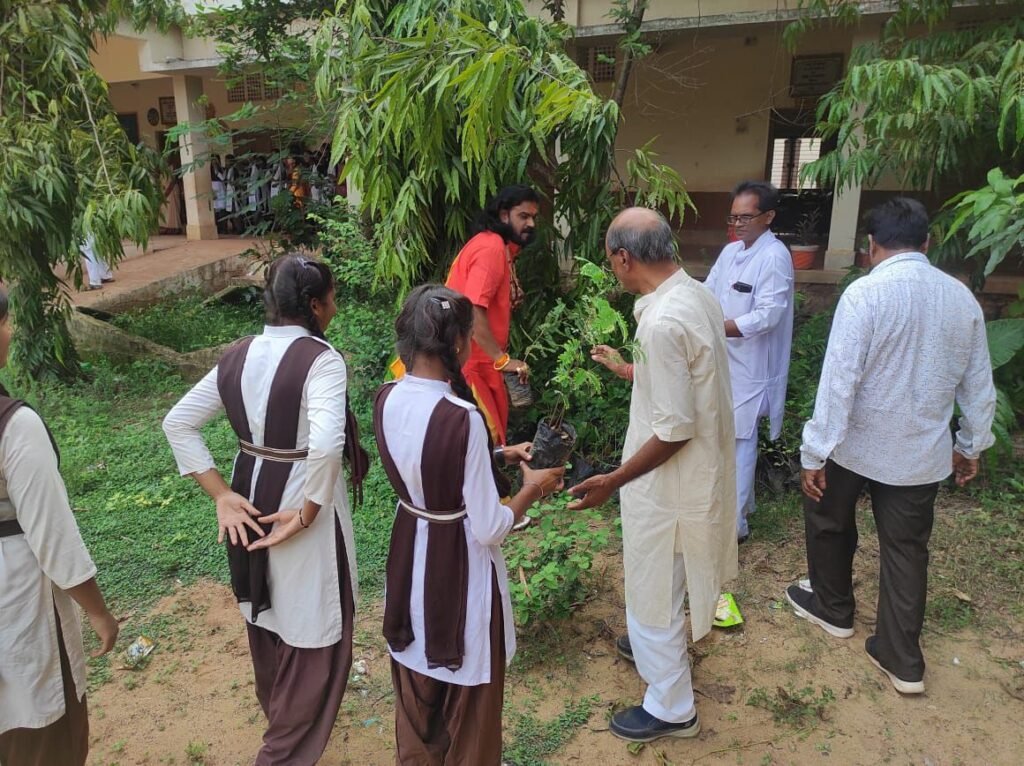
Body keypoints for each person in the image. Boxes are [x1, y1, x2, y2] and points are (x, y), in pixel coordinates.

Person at [163, 254, 367, 764]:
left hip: (249, 494)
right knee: (314, 621)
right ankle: (283, 750)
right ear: (316, 306)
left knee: (267, 609)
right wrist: (308, 513)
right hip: (296, 498)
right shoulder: (320, 359)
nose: (335, 307)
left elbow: (178, 423)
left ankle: (278, 714)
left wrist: (221, 495)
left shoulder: (238, 354)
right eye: (333, 299)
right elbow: (325, 446)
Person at [788, 197, 996, 695]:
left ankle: (834, 610)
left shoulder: (865, 294)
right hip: (918, 455)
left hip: (854, 446)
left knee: (829, 523)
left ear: (870, 246)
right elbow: (978, 384)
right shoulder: (961, 298)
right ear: (927, 243)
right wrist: (970, 444)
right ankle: (903, 659)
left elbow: (839, 381)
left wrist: (814, 452)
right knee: (906, 552)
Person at [374, 284, 564, 764]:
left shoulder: (387, 398)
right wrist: (532, 489)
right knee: (471, 711)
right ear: (459, 344)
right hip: (457, 572)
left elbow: (422, 461)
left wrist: (496, 454)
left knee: (419, 694)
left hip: (408, 559)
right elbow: (488, 527)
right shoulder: (461, 418)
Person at [569, 208, 737, 743]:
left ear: (623, 258)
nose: (610, 268)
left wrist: (613, 479)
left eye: (609, 258)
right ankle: (650, 647)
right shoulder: (694, 294)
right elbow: (690, 376)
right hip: (697, 472)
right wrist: (627, 369)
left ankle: (671, 705)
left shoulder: (663, 321)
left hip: (670, 481)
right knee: (667, 577)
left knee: (653, 584)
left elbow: (674, 429)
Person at [0, 286, 120, 766]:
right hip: (17, 603)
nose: (10, 331)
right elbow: (53, 538)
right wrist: (98, 612)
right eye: (5, 322)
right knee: (44, 733)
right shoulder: (14, 426)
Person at [703, 181, 794, 542]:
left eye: (746, 216)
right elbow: (707, 290)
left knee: (740, 441)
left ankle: (734, 527)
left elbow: (769, 314)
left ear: (768, 216)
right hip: (724, 361)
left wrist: (718, 327)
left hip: (752, 367)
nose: (738, 223)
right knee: (727, 438)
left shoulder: (775, 256)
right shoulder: (731, 252)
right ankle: (741, 507)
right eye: (733, 216)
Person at [443, 184, 539, 447]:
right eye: (524, 217)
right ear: (504, 215)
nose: (531, 223)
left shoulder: (501, 248)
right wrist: (501, 359)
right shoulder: (491, 249)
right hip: (471, 365)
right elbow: (473, 308)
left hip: (476, 362)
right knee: (481, 447)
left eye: (533, 217)